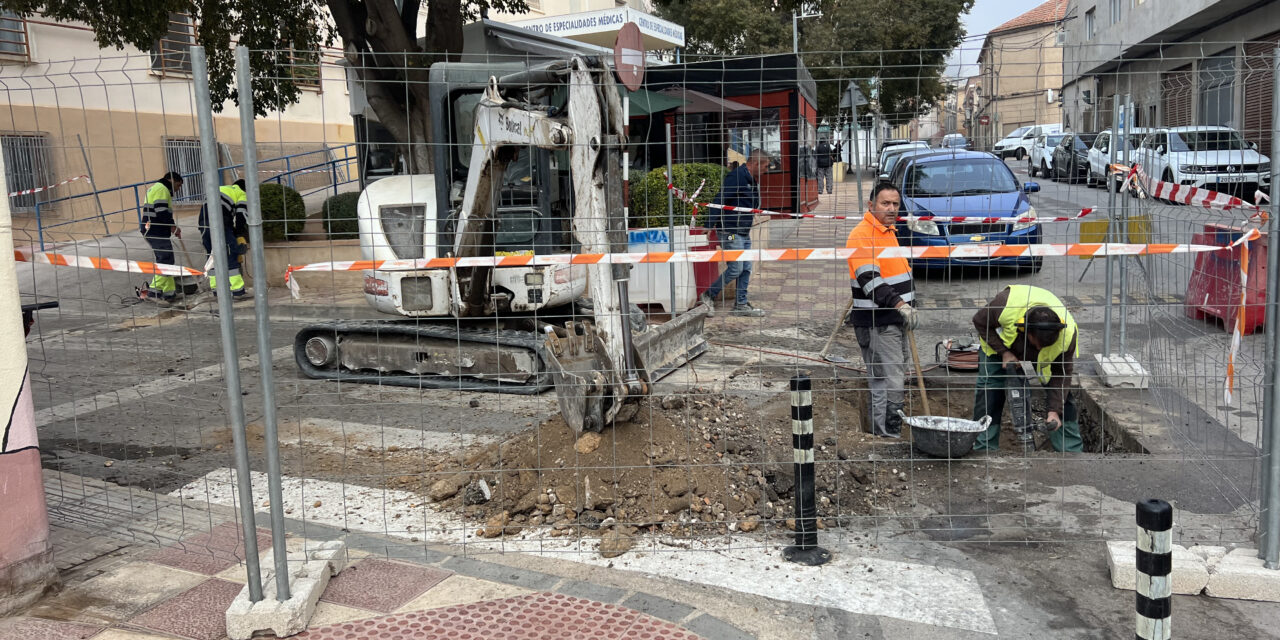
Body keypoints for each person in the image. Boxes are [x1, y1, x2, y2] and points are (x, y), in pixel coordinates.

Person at [971, 285, 1083, 453]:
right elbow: (980, 322)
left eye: (1045, 345)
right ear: (1026, 330)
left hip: (1044, 357)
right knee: (990, 392)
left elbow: (1062, 374)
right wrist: (1004, 352)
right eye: (1036, 343)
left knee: (1061, 396)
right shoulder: (1004, 306)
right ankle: (984, 447)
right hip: (998, 347)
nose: (1039, 347)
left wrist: (1054, 411)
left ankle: (1070, 451)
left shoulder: (1068, 335)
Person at [846, 181, 917, 438]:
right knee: (887, 381)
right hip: (879, 323)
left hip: (895, 320)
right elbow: (871, 281)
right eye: (885, 203)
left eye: (895, 204)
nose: (891, 208)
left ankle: (890, 429)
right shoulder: (861, 235)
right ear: (871, 205)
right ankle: (886, 434)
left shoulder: (888, 231)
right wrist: (901, 305)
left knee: (896, 376)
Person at [699, 150, 768, 317]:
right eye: (765, 166)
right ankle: (708, 295)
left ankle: (741, 304)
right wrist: (709, 224)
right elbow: (719, 199)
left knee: (746, 268)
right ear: (756, 164)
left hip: (742, 232)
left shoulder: (751, 179)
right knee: (736, 268)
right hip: (729, 232)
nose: (767, 170)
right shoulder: (737, 177)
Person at [198, 179, 250, 298]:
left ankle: (217, 290)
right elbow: (241, 216)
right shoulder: (241, 194)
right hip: (220, 225)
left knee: (212, 256)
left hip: (204, 225)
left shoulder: (221, 189)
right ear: (245, 189)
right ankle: (237, 291)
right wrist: (239, 233)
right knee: (230, 253)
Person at [140, 172, 184, 302]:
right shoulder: (162, 189)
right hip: (155, 230)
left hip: (154, 229)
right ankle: (153, 292)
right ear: (171, 180)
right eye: (178, 185)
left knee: (168, 260)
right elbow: (162, 212)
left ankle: (169, 293)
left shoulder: (156, 188)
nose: (178, 189)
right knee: (165, 259)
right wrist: (173, 227)